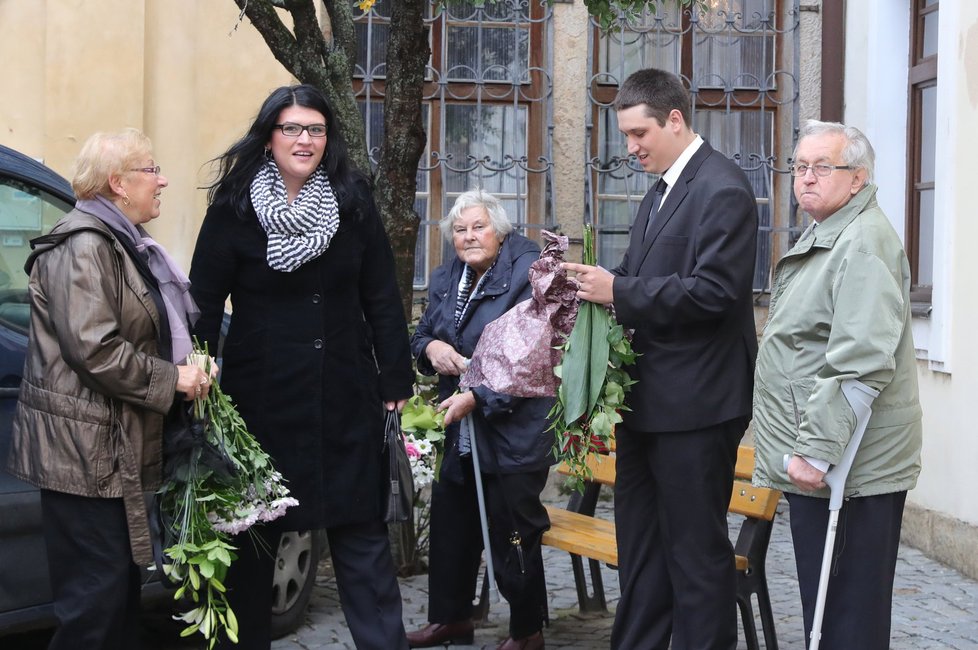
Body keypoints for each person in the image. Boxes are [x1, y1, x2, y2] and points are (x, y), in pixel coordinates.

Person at [189, 84, 415, 649]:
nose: (304, 140)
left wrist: (395, 381)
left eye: (315, 129)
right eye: (291, 128)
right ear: (269, 138)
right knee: (254, 547)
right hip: (260, 399)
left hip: (344, 390)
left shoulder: (352, 199)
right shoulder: (235, 206)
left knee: (362, 541)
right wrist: (201, 376)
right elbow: (205, 301)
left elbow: (383, 297)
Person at [563, 68, 759, 649]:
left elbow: (716, 293)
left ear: (675, 119)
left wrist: (617, 291)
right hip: (650, 406)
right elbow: (640, 277)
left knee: (695, 553)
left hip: (697, 406)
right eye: (625, 135)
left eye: (639, 133)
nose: (631, 148)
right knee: (642, 548)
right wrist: (584, 284)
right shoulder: (663, 189)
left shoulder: (722, 187)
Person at [5, 128, 211, 650]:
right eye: (151, 169)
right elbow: (95, 350)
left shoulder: (121, 242)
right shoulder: (86, 246)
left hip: (110, 452)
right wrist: (175, 378)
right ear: (118, 183)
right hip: (85, 459)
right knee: (93, 610)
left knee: (116, 601)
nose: (162, 180)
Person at [752, 120, 922, 649]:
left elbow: (861, 358)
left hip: (850, 463)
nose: (806, 178)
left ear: (858, 178)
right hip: (827, 453)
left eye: (822, 167)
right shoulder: (832, 231)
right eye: (800, 166)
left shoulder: (863, 242)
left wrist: (817, 452)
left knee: (846, 615)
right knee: (829, 610)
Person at [406, 189, 554, 650]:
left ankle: (527, 632)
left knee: (513, 530)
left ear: (500, 230)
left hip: (514, 427)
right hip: (461, 424)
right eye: (460, 229)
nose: (468, 237)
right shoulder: (451, 273)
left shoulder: (527, 270)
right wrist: (432, 349)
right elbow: (424, 332)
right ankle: (452, 618)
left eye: (478, 227)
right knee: (453, 524)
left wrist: (478, 395)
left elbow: (532, 358)